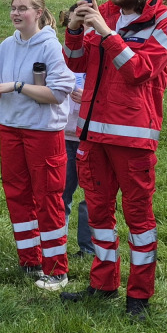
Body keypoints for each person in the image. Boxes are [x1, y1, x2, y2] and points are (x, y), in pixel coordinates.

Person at [60, 0, 167, 319]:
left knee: (138, 219)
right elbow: (75, 62)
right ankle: (103, 284)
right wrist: (75, 29)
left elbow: (139, 71)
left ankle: (139, 296)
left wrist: (107, 33)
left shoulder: (166, 22)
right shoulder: (105, 13)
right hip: (91, 132)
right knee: (98, 215)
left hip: (132, 136)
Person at [0, 0, 76, 289]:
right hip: (10, 128)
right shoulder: (6, 46)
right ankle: (30, 260)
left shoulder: (51, 47)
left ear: (38, 13)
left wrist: (18, 86)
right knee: (17, 194)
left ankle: (57, 270)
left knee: (47, 197)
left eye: (23, 8)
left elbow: (57, 94)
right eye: (13, 8)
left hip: (43, 131)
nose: (16, 13)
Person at [61, 73, 95, 265]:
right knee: (61, 194)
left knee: (92, 197)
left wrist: (89, 98)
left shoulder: (101, 60)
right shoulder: (62, 60)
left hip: (91, 137)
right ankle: (57, 246)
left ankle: (89, 249)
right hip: (64, 134)